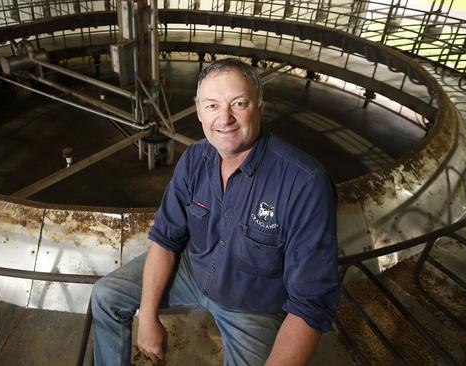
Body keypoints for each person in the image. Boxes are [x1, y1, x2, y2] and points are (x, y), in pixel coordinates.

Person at [91, 59, 340, 366]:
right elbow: (166, 239)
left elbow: (311, 303)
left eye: (239, 103)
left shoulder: (304, 182)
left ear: (260, 106)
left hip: (252, 307)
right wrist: (147, 318)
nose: (225, 118)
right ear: (198, 112)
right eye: (212, 105)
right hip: (193, 274)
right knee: (106, 295)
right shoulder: (196, 158)